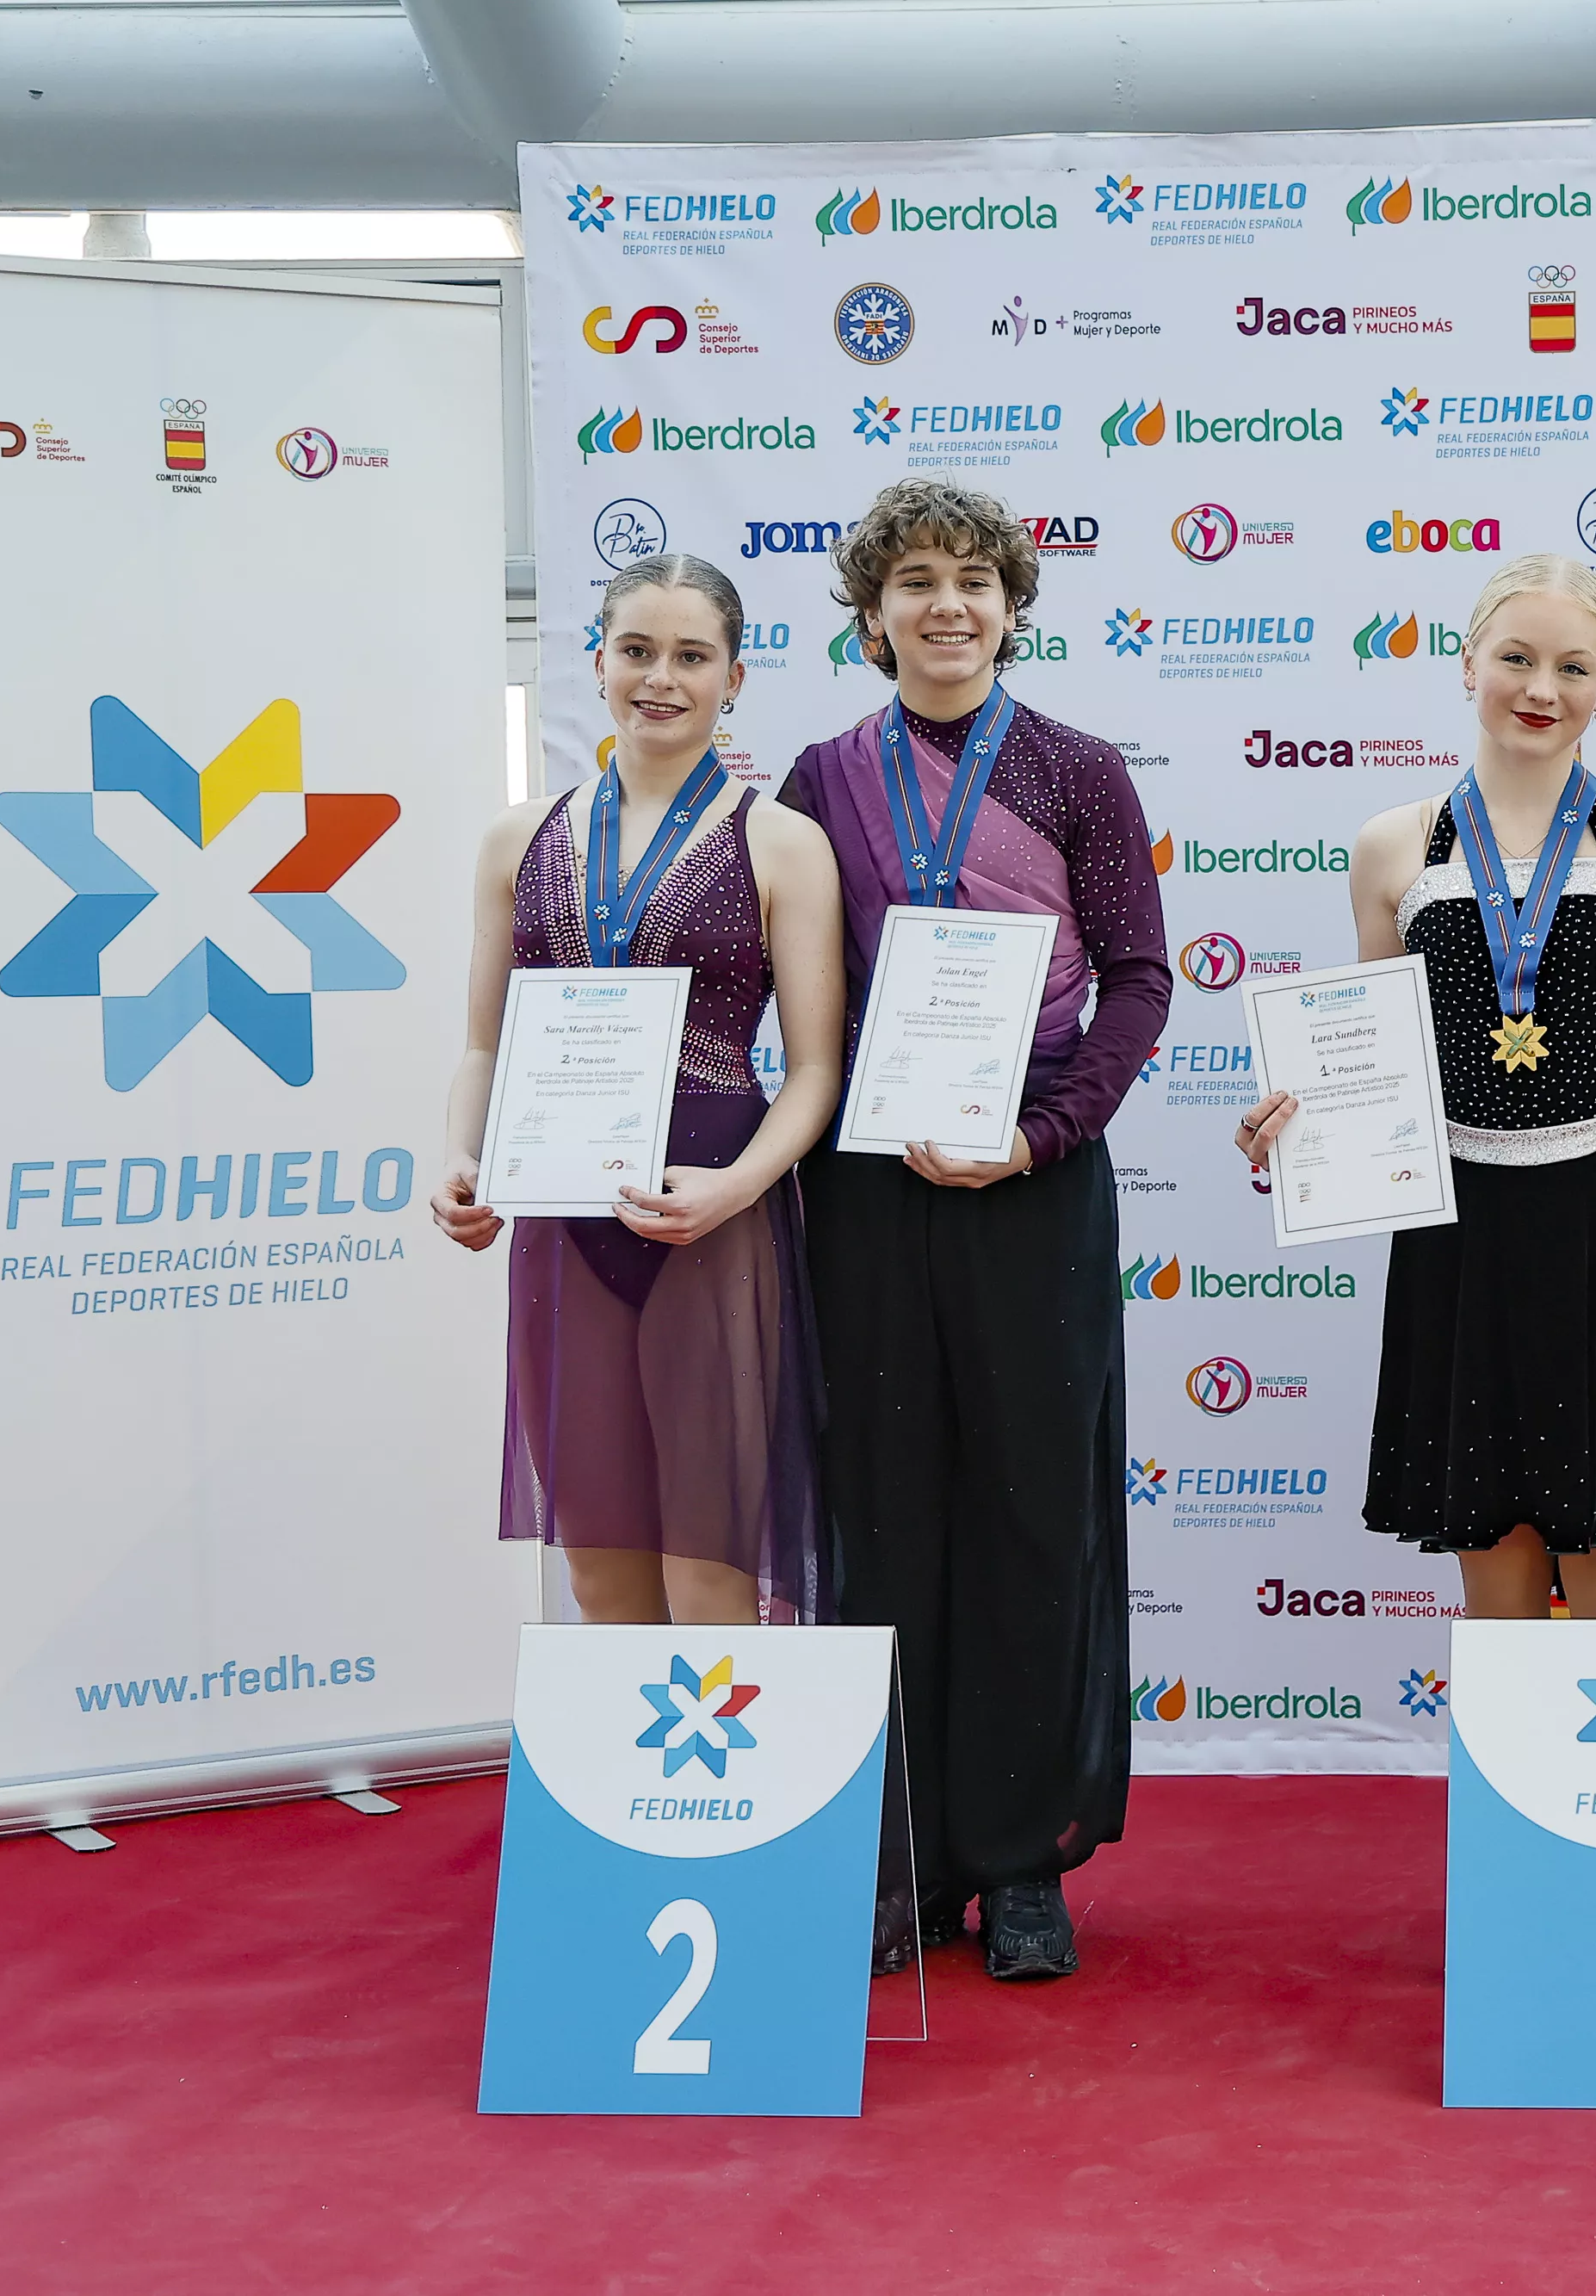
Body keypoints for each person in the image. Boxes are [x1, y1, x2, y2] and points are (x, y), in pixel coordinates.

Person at [781, 478, 1172, 1983]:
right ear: (871, 613)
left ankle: (1019, 1863)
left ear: (1015, 602)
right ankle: (896, 1855)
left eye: (973, 580)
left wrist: (1042, 1132)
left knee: (1029, 1513)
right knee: (881, 1511)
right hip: (870, 1188)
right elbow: (797, 986)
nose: (947, 605)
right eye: (916, 582)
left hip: (1030, 1176)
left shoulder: (1076, 771)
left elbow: (1137, 981)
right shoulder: (820, 780)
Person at [1235, 554, 1596, 1618]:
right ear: (1467, 664)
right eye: (1514, 657)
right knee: (1498, 1553)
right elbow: (1374, 1056)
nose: (1540, 688)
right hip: (1461, 1229)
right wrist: (1303, 1123)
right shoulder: (1392, 845)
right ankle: (1513, 1784)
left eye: (1573, 666)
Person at [430, 553, 845, 1628]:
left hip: (710, 1222)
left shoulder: (785, 844)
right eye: (638, 651)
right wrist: (460, 1159)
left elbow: (813, 1072)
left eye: (692, 657)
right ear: (598, 662)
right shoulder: (515, 838)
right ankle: (632, 1802)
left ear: (735, 679)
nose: (662, 678)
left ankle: (732, 1799)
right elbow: (484, 1046)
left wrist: (737, 1188)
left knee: (710, 1567)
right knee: (600, 1566)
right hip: (561, 1225)